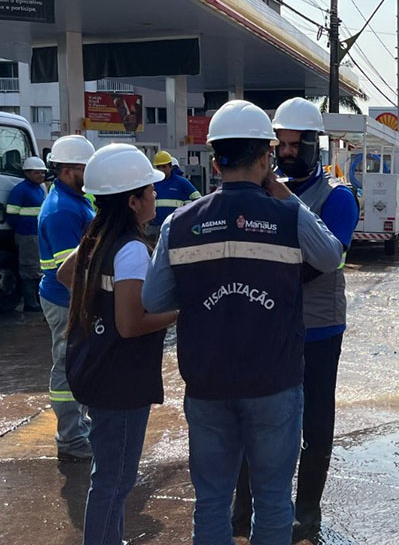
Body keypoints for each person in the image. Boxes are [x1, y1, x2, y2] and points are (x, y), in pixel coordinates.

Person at [141, 99, 343, 544]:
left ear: (215, 161)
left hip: (208, 383)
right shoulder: (289, 216)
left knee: (212, 502)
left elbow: (154, 299)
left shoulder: (178, 223)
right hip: (275, 382)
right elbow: (331, 257)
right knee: (273, 500)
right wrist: (286, 197)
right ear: (267, 158)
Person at [230, 97, 358, 540]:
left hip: (319, 328)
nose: (285, 153)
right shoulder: (261, 192)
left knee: (315, 426)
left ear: (313, 145)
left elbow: (325, 261)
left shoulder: (338, 197)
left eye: (293, 145)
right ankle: (243, 510)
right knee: (256, 418)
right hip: (268, 327)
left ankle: (307, 512)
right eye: (279, 145)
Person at [57, 144, 177, 545]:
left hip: (95, 370)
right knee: (114, 480)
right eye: (150, 190)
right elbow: (131, 325)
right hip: (120, 383)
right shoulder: (130, 250)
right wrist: (182, 313)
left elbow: (63, 274)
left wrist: (98, 303)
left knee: (106, 476)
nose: (155, 196)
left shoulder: (95, 238)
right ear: (132, 200)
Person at [38, 134, 96, 462]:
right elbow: (69, 272)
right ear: (67, 171)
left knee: (76, 364)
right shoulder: (62, 210)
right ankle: (71, 438)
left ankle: (78, 426)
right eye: (84, 167)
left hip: (67, 299)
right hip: (65, 301)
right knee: (66, 368)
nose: (89, 172)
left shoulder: (75, 200)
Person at [4, 155, 48, 312]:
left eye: (43, 173)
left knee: (37, 267)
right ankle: (31, 303)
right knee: (29, 268)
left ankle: (36, 300)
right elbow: (11, 213)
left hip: (37, 233)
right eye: (37, 173)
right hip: (27, 234)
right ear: (27, 173)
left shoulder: (40, 189)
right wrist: (22, 228)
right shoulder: (20, 190)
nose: (41, 176)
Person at [147, 150, 200, 239]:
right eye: (158, 167)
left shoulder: (182, 182)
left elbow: (198, 200)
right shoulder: (151, 183)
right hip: (154, 227)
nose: (161, 170)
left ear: (171, 167)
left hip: (175, 226)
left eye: (164, 166)